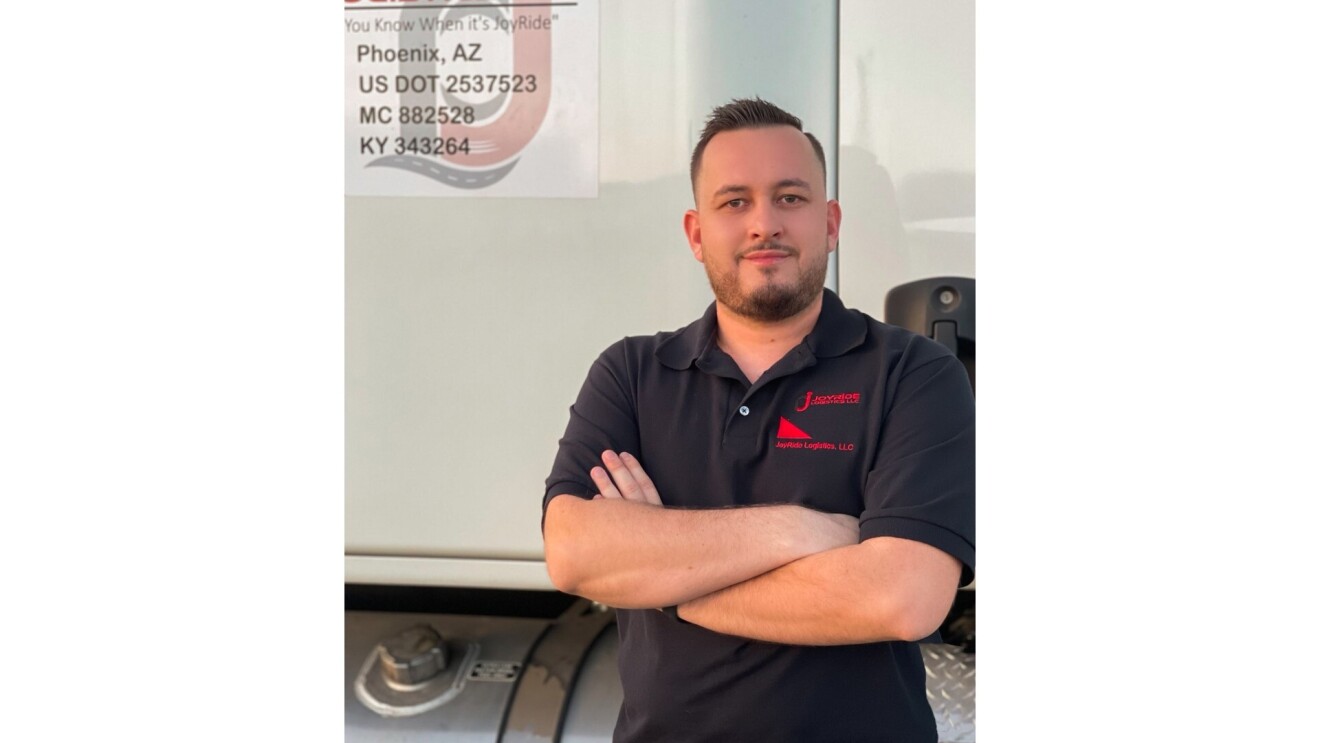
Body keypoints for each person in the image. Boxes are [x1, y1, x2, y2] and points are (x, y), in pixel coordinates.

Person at [542, 98, 974, 743]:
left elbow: (902, 597)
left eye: (791, 198)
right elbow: (576, 553)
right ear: (696, 233)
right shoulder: (631, 373)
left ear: (830, 223)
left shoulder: (916, 373)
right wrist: (800, 529)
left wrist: (660, 577)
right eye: (734, 202)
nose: (763, 224)